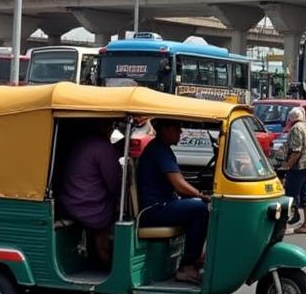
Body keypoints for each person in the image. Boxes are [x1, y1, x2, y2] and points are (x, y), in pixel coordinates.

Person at [136, 119, 210, 283]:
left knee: (199, 207)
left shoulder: (162, 149)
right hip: (154, 210)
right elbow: (178, 184)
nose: (180, 132)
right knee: (202, 209)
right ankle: (188, 266)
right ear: (165, 130)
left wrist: (198, 195)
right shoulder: (159, 150)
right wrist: (201, 195)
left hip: (161, 206)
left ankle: (197, 257)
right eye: (177, 128)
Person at [56, 120, 122, 266]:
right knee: (116, 214)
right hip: (86, 205)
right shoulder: (103, 147)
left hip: (67, 200)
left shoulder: (80, 142)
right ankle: (104, 258)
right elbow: (114, 184)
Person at [283, 107, 306, 234]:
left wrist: (287, 165)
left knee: (290, 193)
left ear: (291, 118)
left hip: (300, 165)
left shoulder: (296, 128)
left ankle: (292, 217)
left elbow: (296, 151)